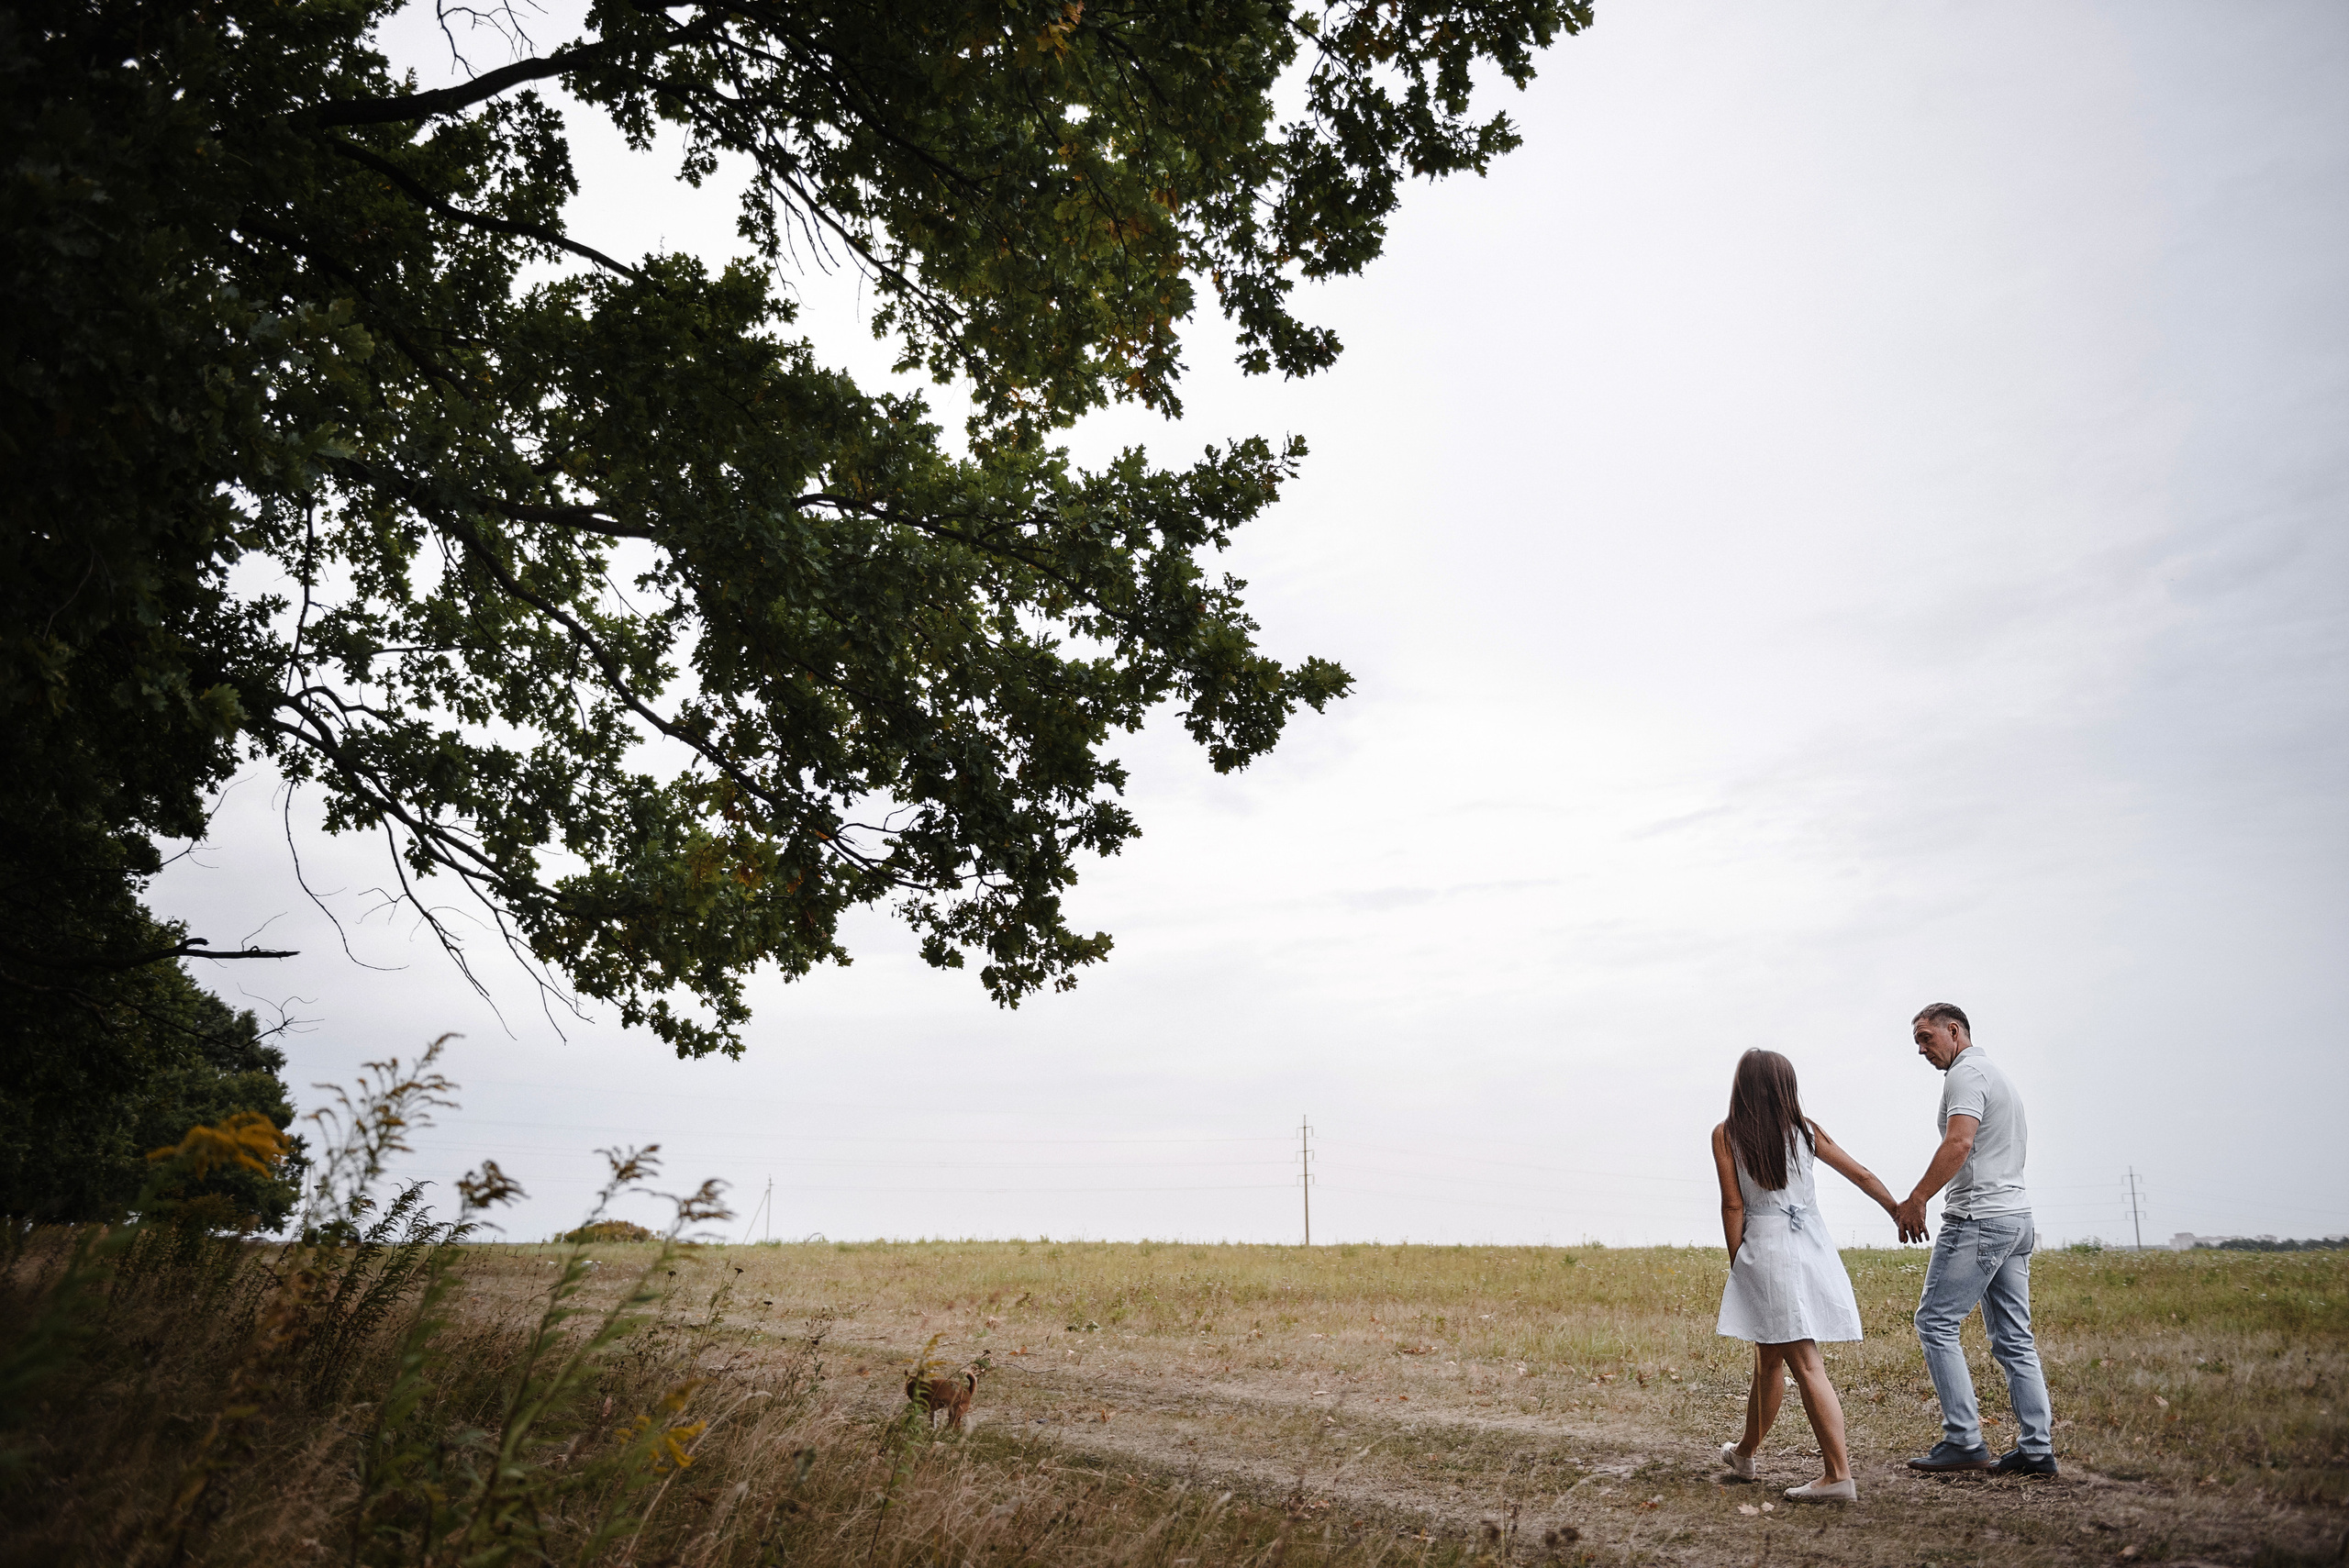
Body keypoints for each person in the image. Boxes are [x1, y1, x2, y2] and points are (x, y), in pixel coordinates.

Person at [1711, 1049, 1904, 1504]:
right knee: (1769, 1354)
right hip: (1811, 1244)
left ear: (1742, 1086)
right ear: (1785, 1087)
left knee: (1804, 1360)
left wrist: (1738, 1257)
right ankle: (1745, 1452)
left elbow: (1733, 1204)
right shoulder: (1806, 1131)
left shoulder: (1726, 1135)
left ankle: (1838, 1476)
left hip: (1769, 1247)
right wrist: (1895, 1208)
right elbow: (1860, 1173)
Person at [1896, 1004, 2058, 1476]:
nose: (1922, 1050)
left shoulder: (1965, 1076)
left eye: (1927, 1038)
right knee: (2014, 1339)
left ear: (1954, 1030)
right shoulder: (1996, 1075)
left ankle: (1964, 1439)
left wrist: (1918, 1198)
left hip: (1979, 1217)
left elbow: (1959, 1142)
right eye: (1917, 1043)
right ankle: (2036, 1448)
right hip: (2015, 1217)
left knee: (1935, 1322)